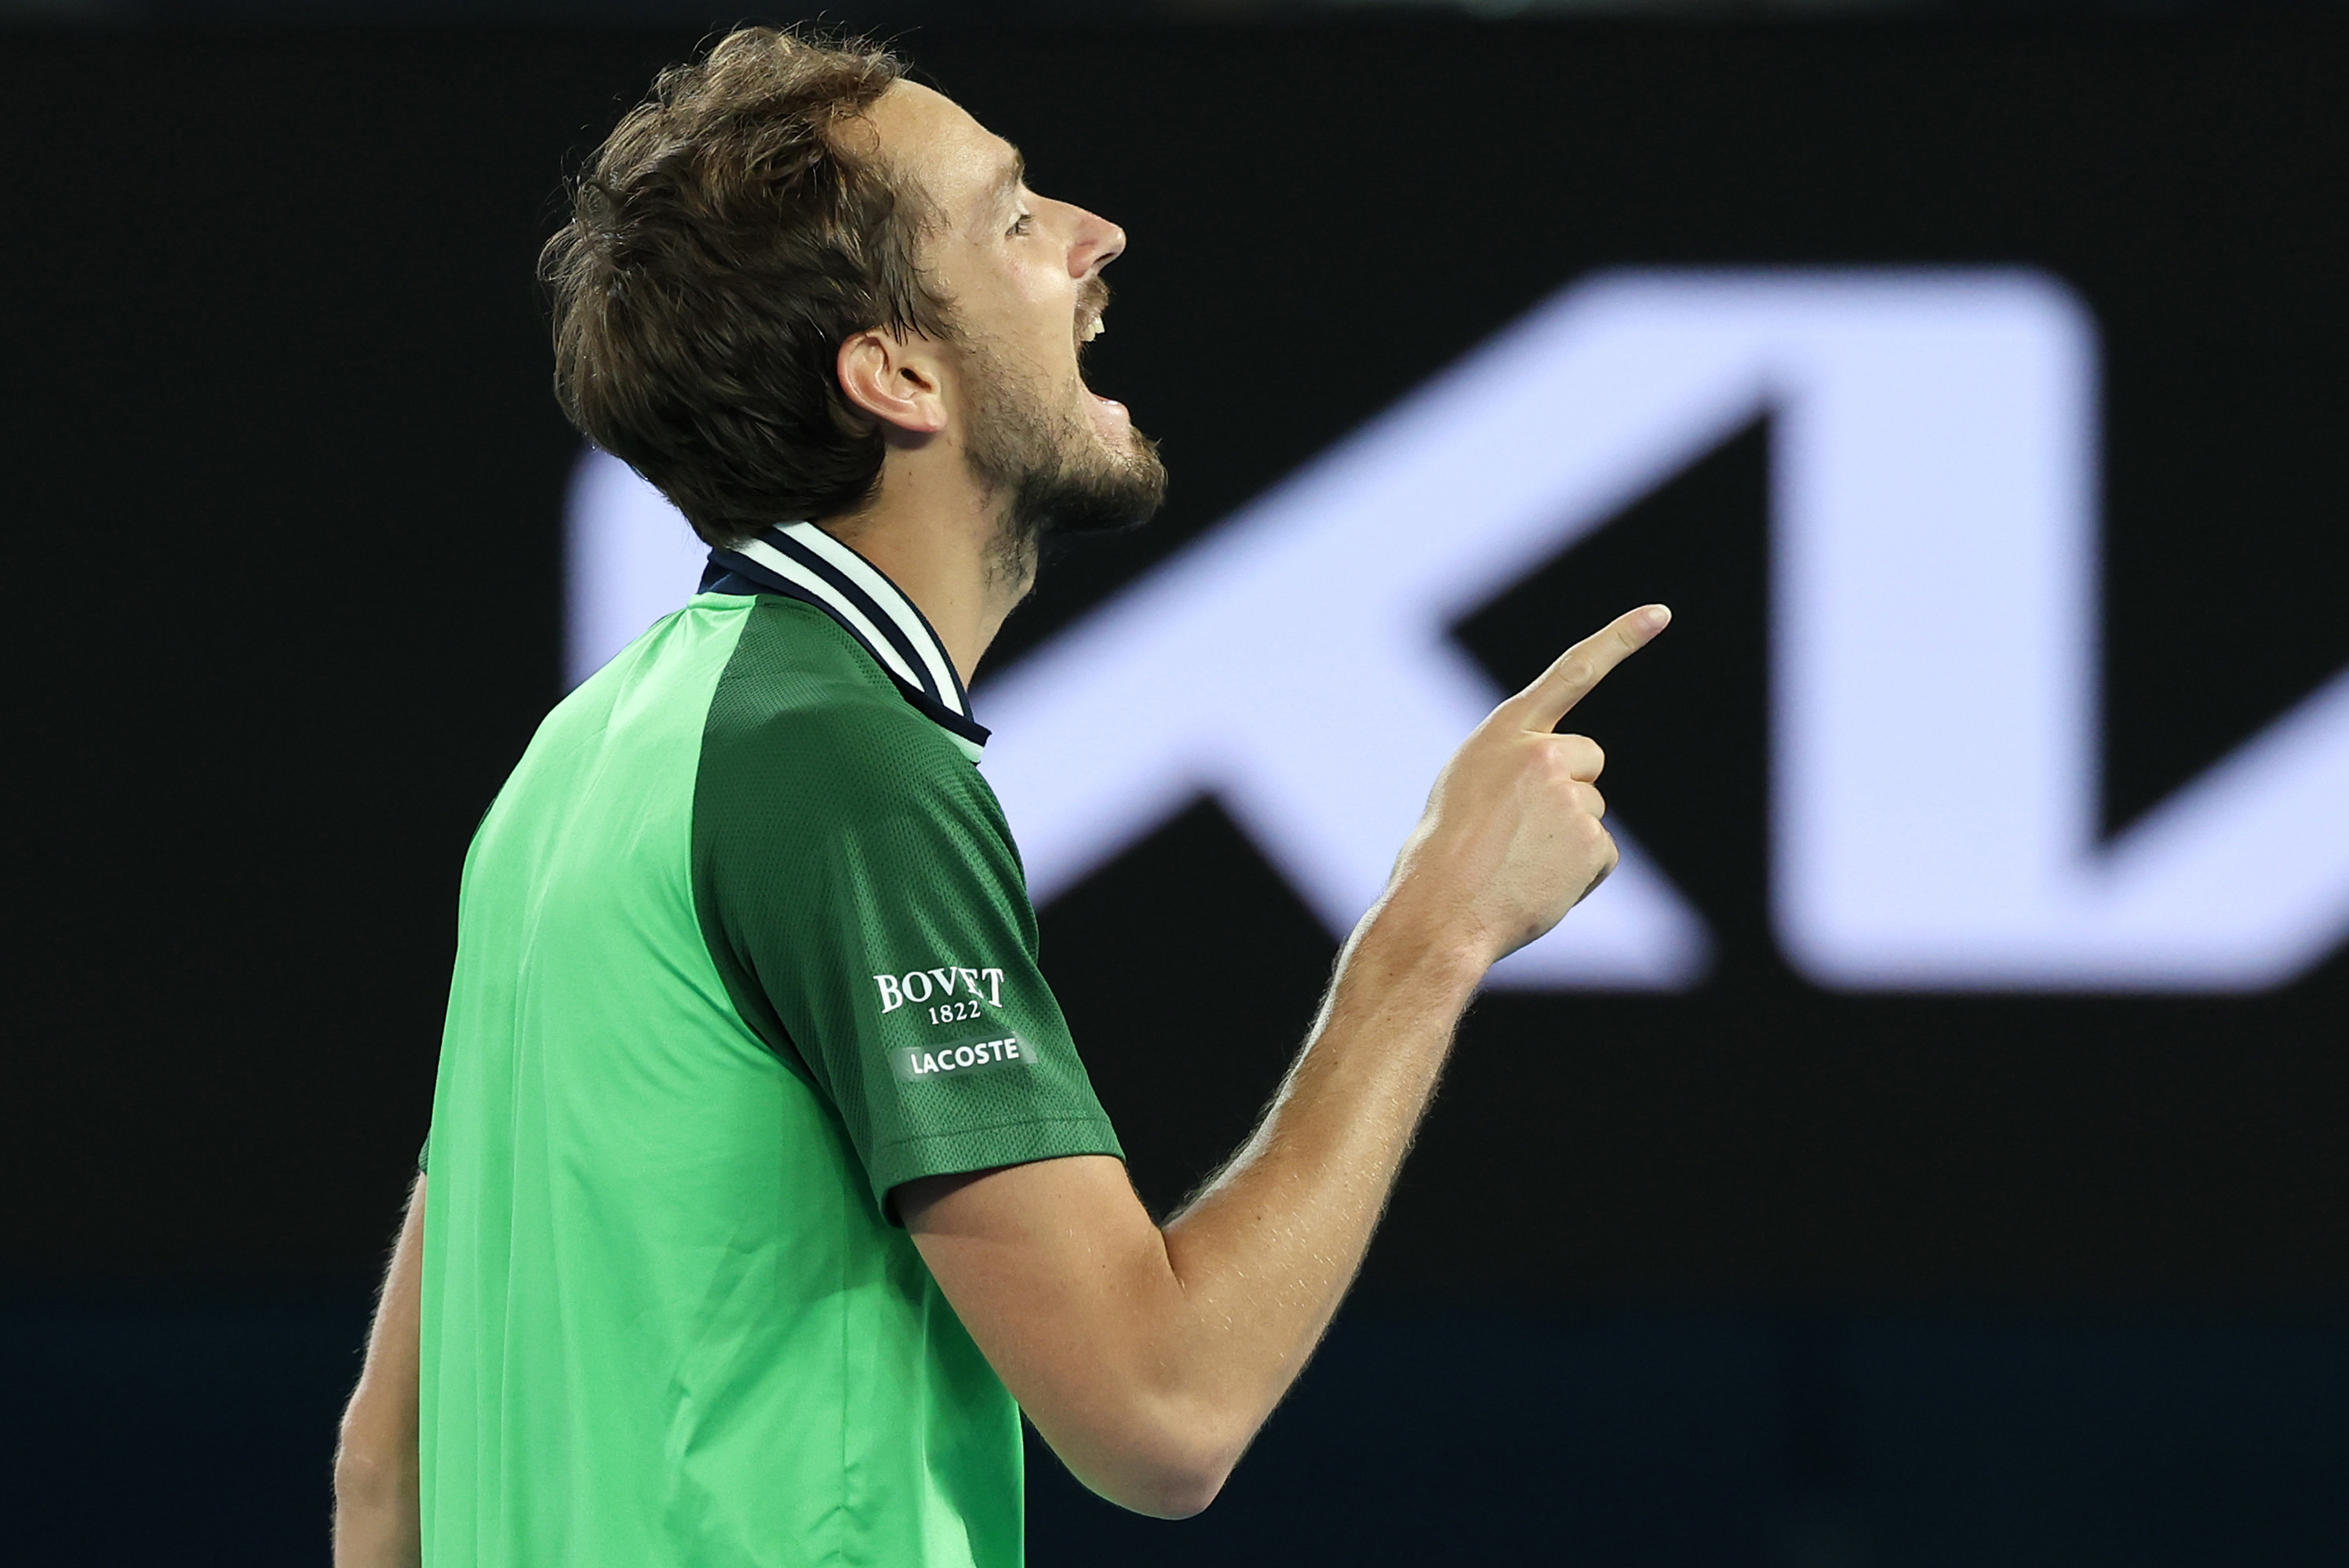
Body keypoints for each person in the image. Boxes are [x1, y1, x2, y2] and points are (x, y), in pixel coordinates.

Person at [330, 25, 1667, 1568]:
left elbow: (388, 1466)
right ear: (898, 375)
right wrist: (1429, 939)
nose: (1093, 241)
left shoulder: (583, 758)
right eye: (1014, 217)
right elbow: (1162, 1412)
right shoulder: (835, 766)